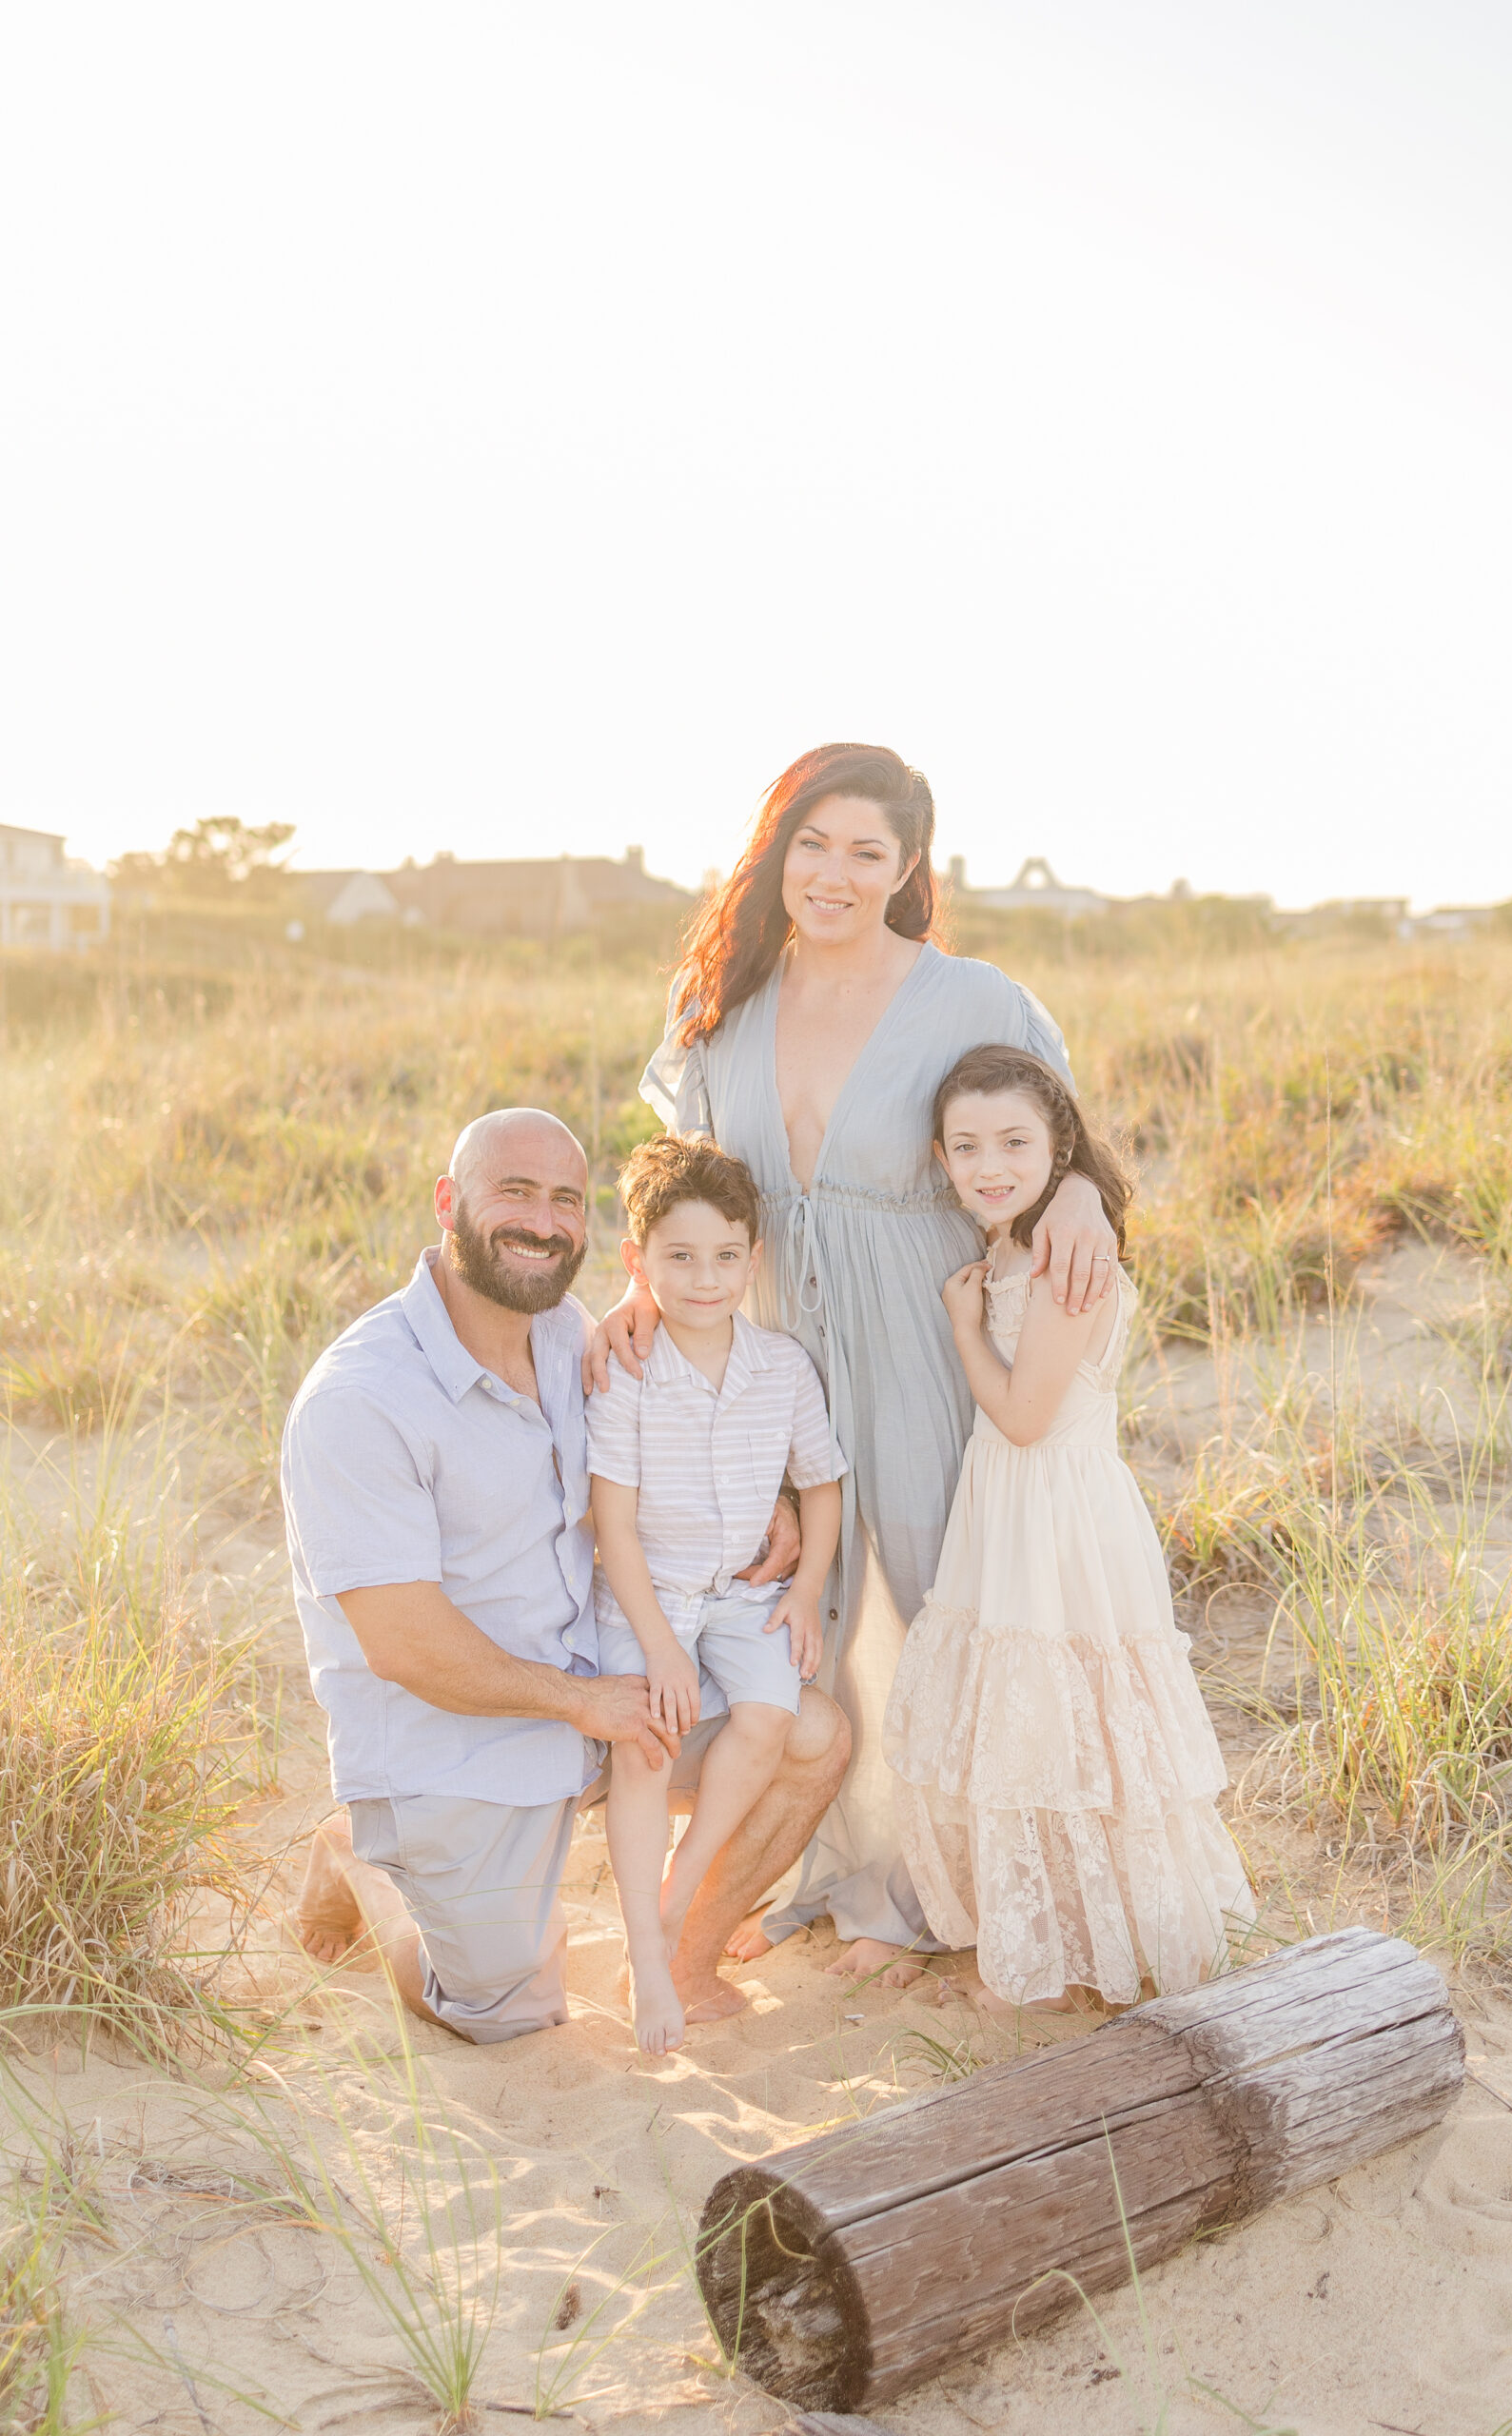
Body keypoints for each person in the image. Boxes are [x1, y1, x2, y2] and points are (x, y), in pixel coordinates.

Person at [592, 743, 1121, 1985]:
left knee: (949, 1599)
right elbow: (695, 1187)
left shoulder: (971, 996)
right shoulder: (721, 1007)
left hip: (927, 1338)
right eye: (810, 844)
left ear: (906, 868)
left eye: (864, 853)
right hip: (777, 1345)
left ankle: (979, 1879)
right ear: (774, 850)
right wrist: (637, 1287)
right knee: (807, 1615)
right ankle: (845, 1867)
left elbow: (1050, 1138)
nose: (831, 874)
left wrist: (1086, 1203)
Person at [282, 1107, 850, 2042]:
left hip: (609, 1683)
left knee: (811, 1733)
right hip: (464, 1742)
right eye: (514, 1191)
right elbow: (403, 1644)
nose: (541, 1222)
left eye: (564, 1200)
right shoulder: (361, 1401)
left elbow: (676, 1432)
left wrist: (772, 1509)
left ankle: (675, 1956)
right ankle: (361, 1860)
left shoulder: (571, 1334)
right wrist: (583, 1705)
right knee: (505, 2007)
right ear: (446, 1202)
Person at [884, 1047, 1254, 2009]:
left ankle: (1107, 1944)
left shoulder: (1059, 1259)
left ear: (1061, 1148)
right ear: (940, 1156)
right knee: (1032, 1721)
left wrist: (963, 1327)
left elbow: (1024, 1415)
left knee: (1077, 1721)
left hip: (1057, 1515)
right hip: (1010, 1508)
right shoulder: (1014, 1242)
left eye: (1015, 1140)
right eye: (967, 1146)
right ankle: (1044, 1938)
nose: (989, 1162)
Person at [589, 1134, 844, 2055]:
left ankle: (670, 1899)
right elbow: (614, 1527)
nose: (706, 1279)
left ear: (754, 1257)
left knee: (772, 1710)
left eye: (727, 1257)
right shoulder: (626, 1371)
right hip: (647, 1594)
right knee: (649, 1738)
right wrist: (657, 1644)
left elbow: (821, 1482)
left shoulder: (779, 1367)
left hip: (739, 1594)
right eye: (680, 1258)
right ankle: (647, 1958)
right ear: (637, 1262)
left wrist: (808, 1585)